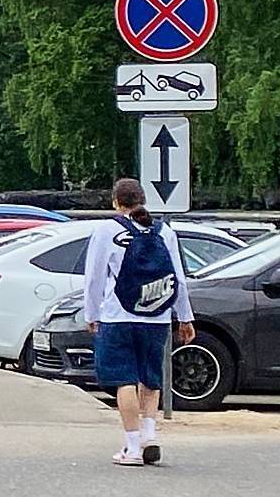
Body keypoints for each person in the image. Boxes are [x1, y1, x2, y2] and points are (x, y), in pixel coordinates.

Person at [82, 179, 197, 466]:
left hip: (118, 316)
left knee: (124, 379)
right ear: (143, 200)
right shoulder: (164, 232)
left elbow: (95, 278)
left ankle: (132, 447)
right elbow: (178, 279)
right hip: (157, 317)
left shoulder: (107, 230)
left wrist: (91, 314)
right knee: (150, 377)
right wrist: (185, 317)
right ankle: (149, 435)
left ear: (115, 202)